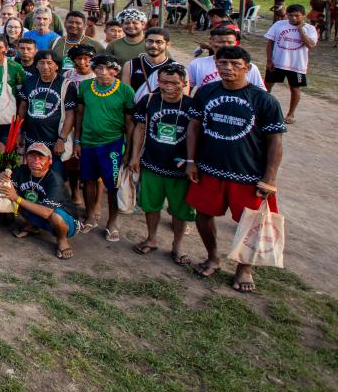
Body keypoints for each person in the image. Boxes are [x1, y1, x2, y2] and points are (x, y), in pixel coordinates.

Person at [186, 45, 285, 294]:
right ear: (215, 65)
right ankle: (213, 257)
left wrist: (269, 177)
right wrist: (191, 160)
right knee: (203, 215)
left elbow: (275, 140)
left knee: (251, 223)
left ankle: (244, 268)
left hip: (248, 174)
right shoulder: (206, 92)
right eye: (223, 64)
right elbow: (194, 127)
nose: (228, 69)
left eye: (235, 65)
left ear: (247, 68)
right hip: (209, 168)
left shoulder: (264, 100)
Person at [128, 63, 196, 265]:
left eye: (174, 83)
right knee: (151, 204)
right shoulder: (149, 101)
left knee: (179, 209)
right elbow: (139, 128)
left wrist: (193, 162)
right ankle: (151, 237)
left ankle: (178, 245)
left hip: (180, 169)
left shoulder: (192, 105)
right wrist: (134, 156)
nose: (168, 86)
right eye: (164, 82)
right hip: (152, 163)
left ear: (184, 83)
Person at [73, 54, 134, 242]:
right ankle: (90, 216)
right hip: (88, 142)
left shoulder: (125, 91)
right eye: (99, 68)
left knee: (113, 186)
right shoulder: (85, 87)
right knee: (89, 180)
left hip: (113, 144)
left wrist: (129, 151)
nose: (103, 72)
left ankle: (112, 223)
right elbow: (80, 114)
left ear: (116, 71)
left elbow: (130, 123)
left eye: (109, 69)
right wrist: (77, 141)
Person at [0, 142, 76, 259]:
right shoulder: (22, 170)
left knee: (54, 216)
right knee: (11, 193)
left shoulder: (54, 180)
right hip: (39, 212)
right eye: (32, 156)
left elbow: (46, 212)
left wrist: (17, 198)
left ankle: (62, 240)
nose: (36, 161)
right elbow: (8, 187)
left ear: (50, 161)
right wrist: (2, 177)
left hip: (65, 221)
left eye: (41, 158)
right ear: (26, 158)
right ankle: (32, 225)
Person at [264, 4, 317, 125]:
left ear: (303, 15)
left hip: (297, 65)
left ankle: (291, 113)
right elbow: (270, 43)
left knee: (295, 89)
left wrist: (300, 30)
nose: (293, 18)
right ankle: (262, 109)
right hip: (277, 62)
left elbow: (311, 45)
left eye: (297, 16)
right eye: (290, 15)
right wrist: (269, 60)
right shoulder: (279, 25)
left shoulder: (310, 29)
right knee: (267, 86)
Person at [18, 50, 77, 159]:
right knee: (32, 169)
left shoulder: (67, 85)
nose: (45, 66)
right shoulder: (29, 82)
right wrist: (19, 132)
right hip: (31, 140)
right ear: (36, 65)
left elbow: (70, 114)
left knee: (55, 173)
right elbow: (23, 107)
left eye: (49, 63)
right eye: (41, 63)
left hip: (55, 143)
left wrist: (62, 139)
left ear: (57, 66)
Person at [187, 27, 265, 92]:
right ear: (211, 42)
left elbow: (261, 93)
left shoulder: (248, 67)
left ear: (236, 43)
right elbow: (187, 89)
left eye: (230, 42)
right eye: (220, 42)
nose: (225, 46)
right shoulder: (196, 64)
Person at [121, 27, 173, 102]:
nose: (153, 45)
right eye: (150, 41)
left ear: (168, 45)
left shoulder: (176, 68)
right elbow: (125, 95)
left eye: (159, 42)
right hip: (136, 111)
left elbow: (181, 98)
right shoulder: (130, 65)